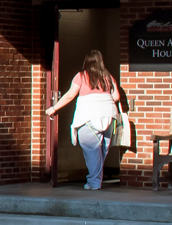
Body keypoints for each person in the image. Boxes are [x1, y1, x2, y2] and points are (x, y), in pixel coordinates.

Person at [43, 49, 124, 190]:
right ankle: (95, 180)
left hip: (88, 116)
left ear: (86, 61)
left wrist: (54, 108)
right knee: (101, 151)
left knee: (91, 151)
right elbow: (116, 96)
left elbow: (69, 95)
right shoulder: (108, 76)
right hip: (109, 115)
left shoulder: (81, 76)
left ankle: (94, 183)